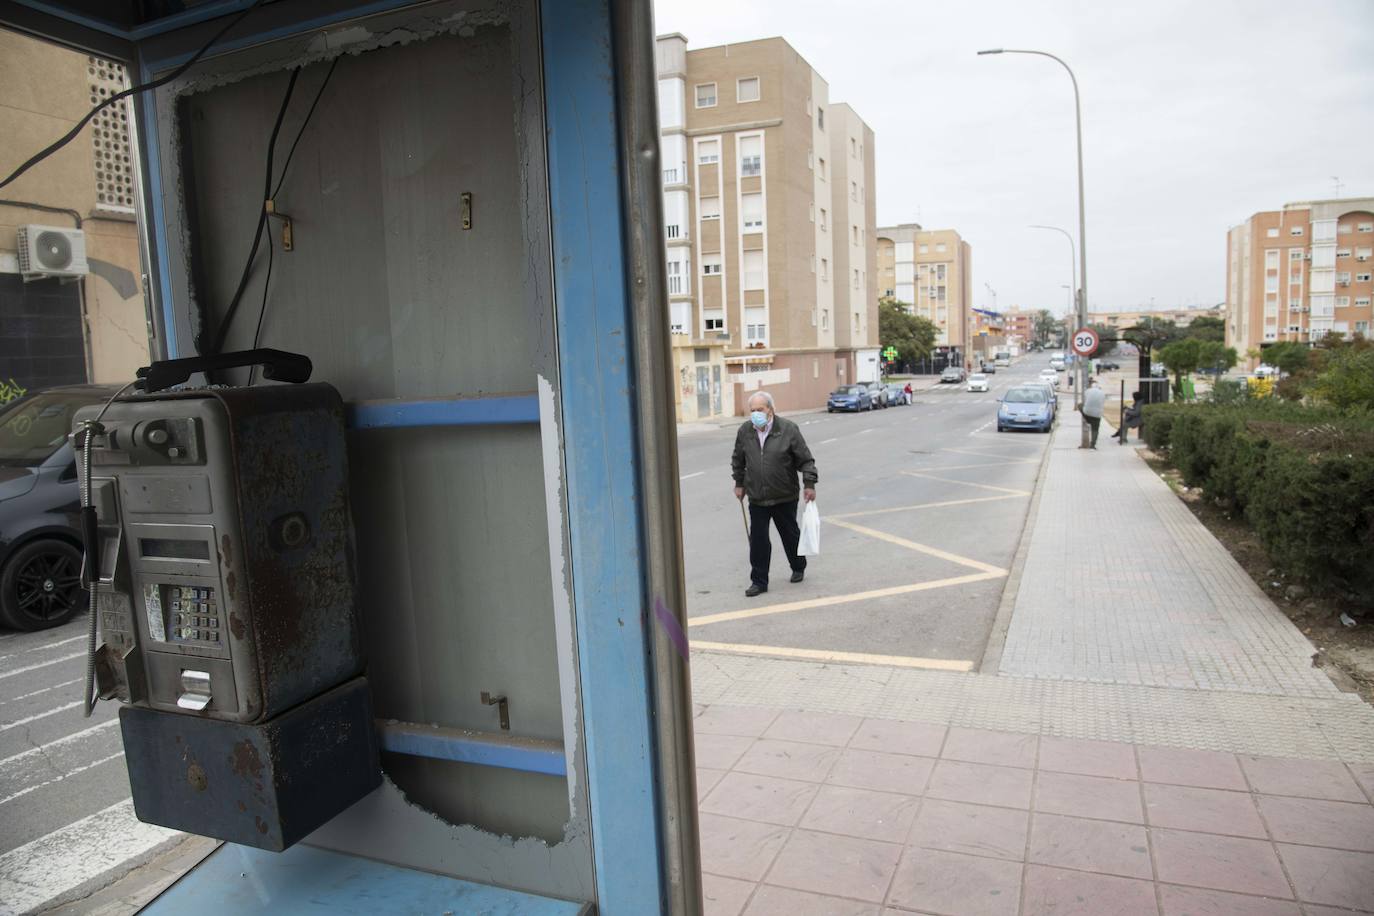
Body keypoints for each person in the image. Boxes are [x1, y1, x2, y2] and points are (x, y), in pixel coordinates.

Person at [731, 391, 818, 597]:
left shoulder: (788, 429)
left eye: (760, 410)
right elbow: (738, 459)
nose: (755, 414)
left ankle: (798, 565)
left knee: (790, 535)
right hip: (757, 497)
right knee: (759, 540)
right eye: (752, 411)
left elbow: (806, 460)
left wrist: (809, 484)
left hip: (784, 495)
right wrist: (739, 483)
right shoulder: (745, 431)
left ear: (771, 409)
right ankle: (759, 581)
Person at [1081, 377, 1106, 448]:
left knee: (1080, 405)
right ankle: (1093, 445)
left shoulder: (1087, 391)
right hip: (1097, 414)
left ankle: (1087, 420)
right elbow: (1103, 402)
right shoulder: (1102, 393)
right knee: (1095, 430)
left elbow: (1085, 400)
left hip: (1087, 412)